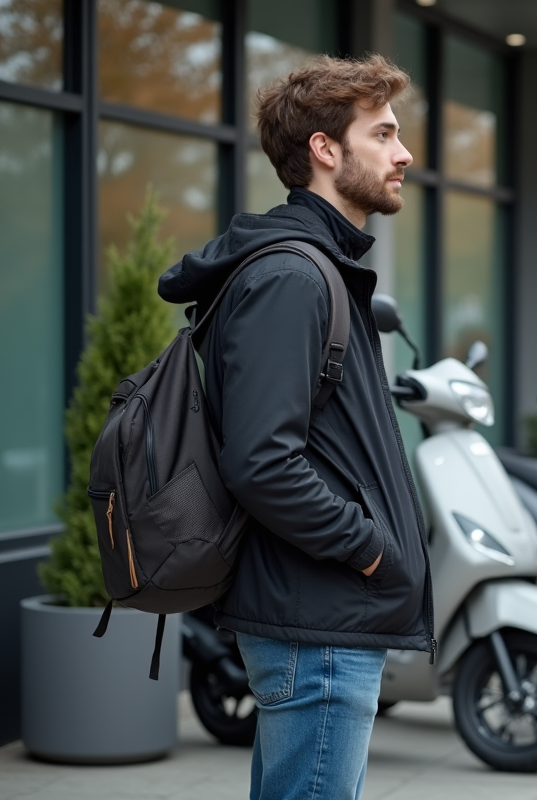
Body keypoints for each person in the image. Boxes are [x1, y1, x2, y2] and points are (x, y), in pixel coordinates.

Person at [158, 56, 429, 800]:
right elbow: (262, 461)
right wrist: (369, 548)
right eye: (384, 134)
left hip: (326, 617)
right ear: (324, 149)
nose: (404, 154)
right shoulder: (292, 279)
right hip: (319, 624)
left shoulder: (316, 269)